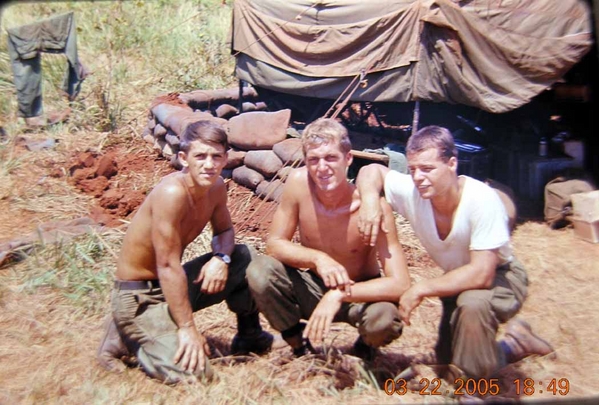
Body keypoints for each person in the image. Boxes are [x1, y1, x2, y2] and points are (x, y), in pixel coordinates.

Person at [356, 125, 553, 379]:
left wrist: (420, 288)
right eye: (413, 168)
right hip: (458, 280)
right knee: (450, 364)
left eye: (428, 169)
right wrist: (370, 201)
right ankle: (516, 343)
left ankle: (473, 392)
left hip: (501, 276)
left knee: (473, 305)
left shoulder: (481, 199)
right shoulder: (414, 191)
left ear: (452, 163)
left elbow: (481, 274)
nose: (418, 177)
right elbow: (371, 171)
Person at [96, 120, 274, 383]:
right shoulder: (171, 193)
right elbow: (167, 265)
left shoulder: (216, 189)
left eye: (216, 156)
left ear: (226, 159)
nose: (209, 164)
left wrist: (221, 258)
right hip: (140, 296)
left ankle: (250, 336)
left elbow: (225, 232)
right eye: (200, 156)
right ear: (183, 158)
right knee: (196, 374)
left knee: (243, 256)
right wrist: (187, 328)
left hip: (169, 285)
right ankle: (129, 337)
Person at [246, 118, 411, 359]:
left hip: (360, 292)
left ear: (348, 159)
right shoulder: (298, 184)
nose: (322, 168)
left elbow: (401, 283)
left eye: (331, 158)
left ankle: (365, 348)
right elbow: (274, 244)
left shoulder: (373, 209)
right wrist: (318, 259)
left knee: (384, 320)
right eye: (314, 160)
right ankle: (298, 345)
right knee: (260, 270)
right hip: (313, 286)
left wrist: (340, 294)